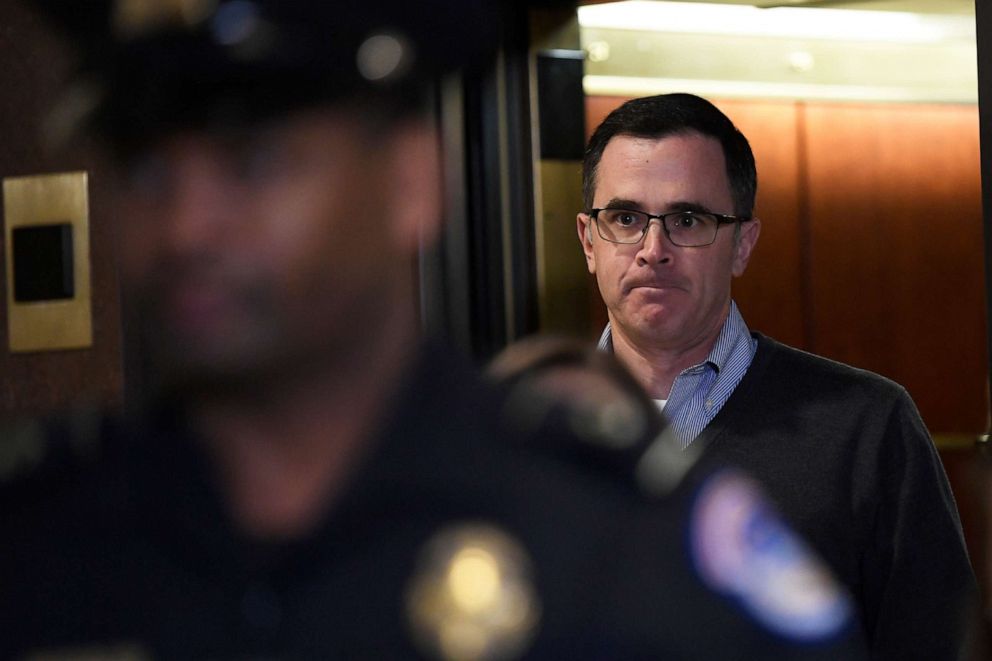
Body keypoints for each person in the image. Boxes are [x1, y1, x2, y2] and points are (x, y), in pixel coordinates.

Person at [0, 3, 870, 658]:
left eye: (253, 163)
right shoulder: (43, 534)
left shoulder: (609, 540)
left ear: (411, 185)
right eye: (147, 172)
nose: (188, 227)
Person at [576, 92, 979, 660]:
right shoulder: (521, 435)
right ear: (589, 241)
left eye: (687, 219)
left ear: (742, 244)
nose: (653, 249)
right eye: (625, 218)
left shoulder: (864, 427)